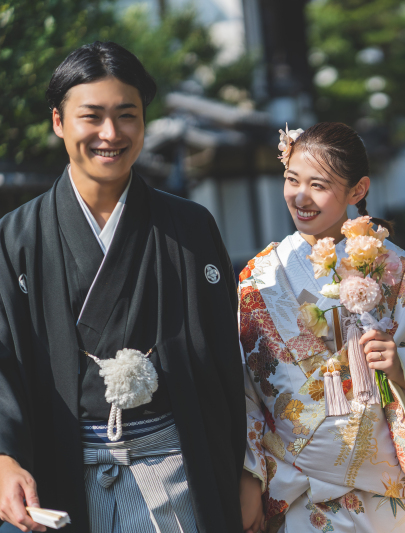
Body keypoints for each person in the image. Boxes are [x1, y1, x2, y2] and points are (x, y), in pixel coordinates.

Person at [0, 42, 245, 532]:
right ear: (58, 122)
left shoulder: (190, 228)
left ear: (143, 122)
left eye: (126, 115)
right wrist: (4, 457)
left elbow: (227, 364)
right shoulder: (15, 237)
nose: (110, 134)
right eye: (91, 116)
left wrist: (247, 474)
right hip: (57, 474)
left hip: (174, 474)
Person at [238, 122, 405, 533]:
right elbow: (242, 389)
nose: (300, 196)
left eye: (318, 185)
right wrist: (247, 476)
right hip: (296, 492)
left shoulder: (393, 268)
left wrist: (401, 365)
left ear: (357, 191)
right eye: (292, 180)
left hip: (384, 492)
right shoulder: (260, 277)